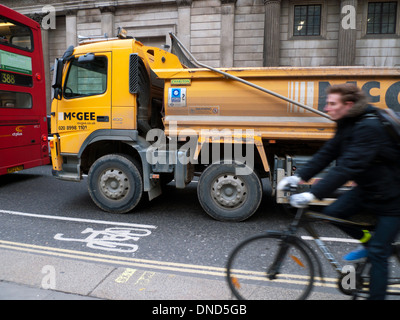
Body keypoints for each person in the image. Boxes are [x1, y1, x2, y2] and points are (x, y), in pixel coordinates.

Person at [278, 83, 400, 300]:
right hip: (369, 189)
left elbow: (348, 167)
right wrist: (299, 176)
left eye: (332, 104)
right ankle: (369, 241)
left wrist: (312, 194)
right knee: (333, 213)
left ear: (348, 104)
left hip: (393, 197)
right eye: (328, 103)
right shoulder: (347, 122)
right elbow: (329, 152)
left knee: (379, 254)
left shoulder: (369, 127)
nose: (327, 108)